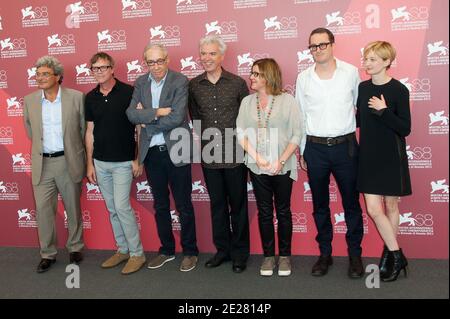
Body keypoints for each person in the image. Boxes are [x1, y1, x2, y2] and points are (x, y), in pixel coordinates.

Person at [295, 28, 364, 278]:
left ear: (333, 44)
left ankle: (355, 255)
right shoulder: (303, 78)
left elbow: (359, 108)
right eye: (313, 46)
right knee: (320, 206)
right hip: (315, 149)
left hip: (346, 147)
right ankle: (325, 254)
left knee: (351, 204)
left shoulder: (350, 73)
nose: (318, 50)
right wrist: (302, 150)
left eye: (322, 45)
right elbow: (301, 117)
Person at [126, 44, 199, 272]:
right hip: (152, 155)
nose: (155, 66)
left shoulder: (179, 81)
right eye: (151, 62)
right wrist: (157, 112)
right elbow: (130, 114)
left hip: (176, 149)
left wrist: (146, 122)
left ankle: (190, 251)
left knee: (184, 205)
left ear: (167, 60)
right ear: (145, 62)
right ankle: (166, 250)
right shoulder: (140, 82)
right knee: (160, 205)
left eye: (159, 61)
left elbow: (177, 117)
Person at [189, 35, 250, 273]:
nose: (207, 58)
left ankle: (239, 253)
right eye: (203, 53)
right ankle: (222, 251)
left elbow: (246, 119)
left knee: (238, 205)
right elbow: (195, 117)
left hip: (236, 154)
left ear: (222, 56)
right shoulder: (193, 85)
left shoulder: (237, 83)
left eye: (212, 53)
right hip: (210, 155)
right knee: (217, 206)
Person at [237, 58, 302, 277]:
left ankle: (284, 257)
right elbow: (241, 133)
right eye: (252, 73)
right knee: (265, 212)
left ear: (268, 76)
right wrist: (256, 157)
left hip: (282, 165)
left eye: (256, 74)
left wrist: (281, 160)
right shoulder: (247, 102)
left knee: (283, 211)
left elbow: (296, 134)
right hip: (257, 167)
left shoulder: (288, 101)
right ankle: (268, 256)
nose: (252, 77)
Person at [85, 52, 146, 275]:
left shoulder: (129, 92)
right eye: (95, 68)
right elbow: (90, 132)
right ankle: (122, 249)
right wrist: (90, 164)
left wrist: (138, 158)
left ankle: (137, 254)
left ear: (113, 68)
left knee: (121, 207)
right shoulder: (90, 97)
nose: (99, 72)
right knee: (112, 209)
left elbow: (140, 128)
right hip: (101, 163)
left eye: (103, 67)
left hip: (124, 162)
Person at [23, 56, 85, 273]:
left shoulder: (76, 98)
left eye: (45, 74)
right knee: (43, 211)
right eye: (38, 74)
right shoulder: (29, 100)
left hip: (69, 161)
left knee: (73, 208)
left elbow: (83, 130)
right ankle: (47, 253)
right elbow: (31, 130)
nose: (40, 78)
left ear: (58, 77)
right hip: (43, 164)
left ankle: (75, 247)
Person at [357, 41, 411, 282]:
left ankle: (390, 257)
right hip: (368, 155)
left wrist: (384, 110)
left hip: (391, 156)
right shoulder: (362, 88)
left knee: (391, 207)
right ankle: (397, 254)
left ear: (387, 62)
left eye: (372, 59)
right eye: (366, 59)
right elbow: (359, 122)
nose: (367, 63)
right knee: (372, 209)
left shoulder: (399, 90)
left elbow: (405, 128)